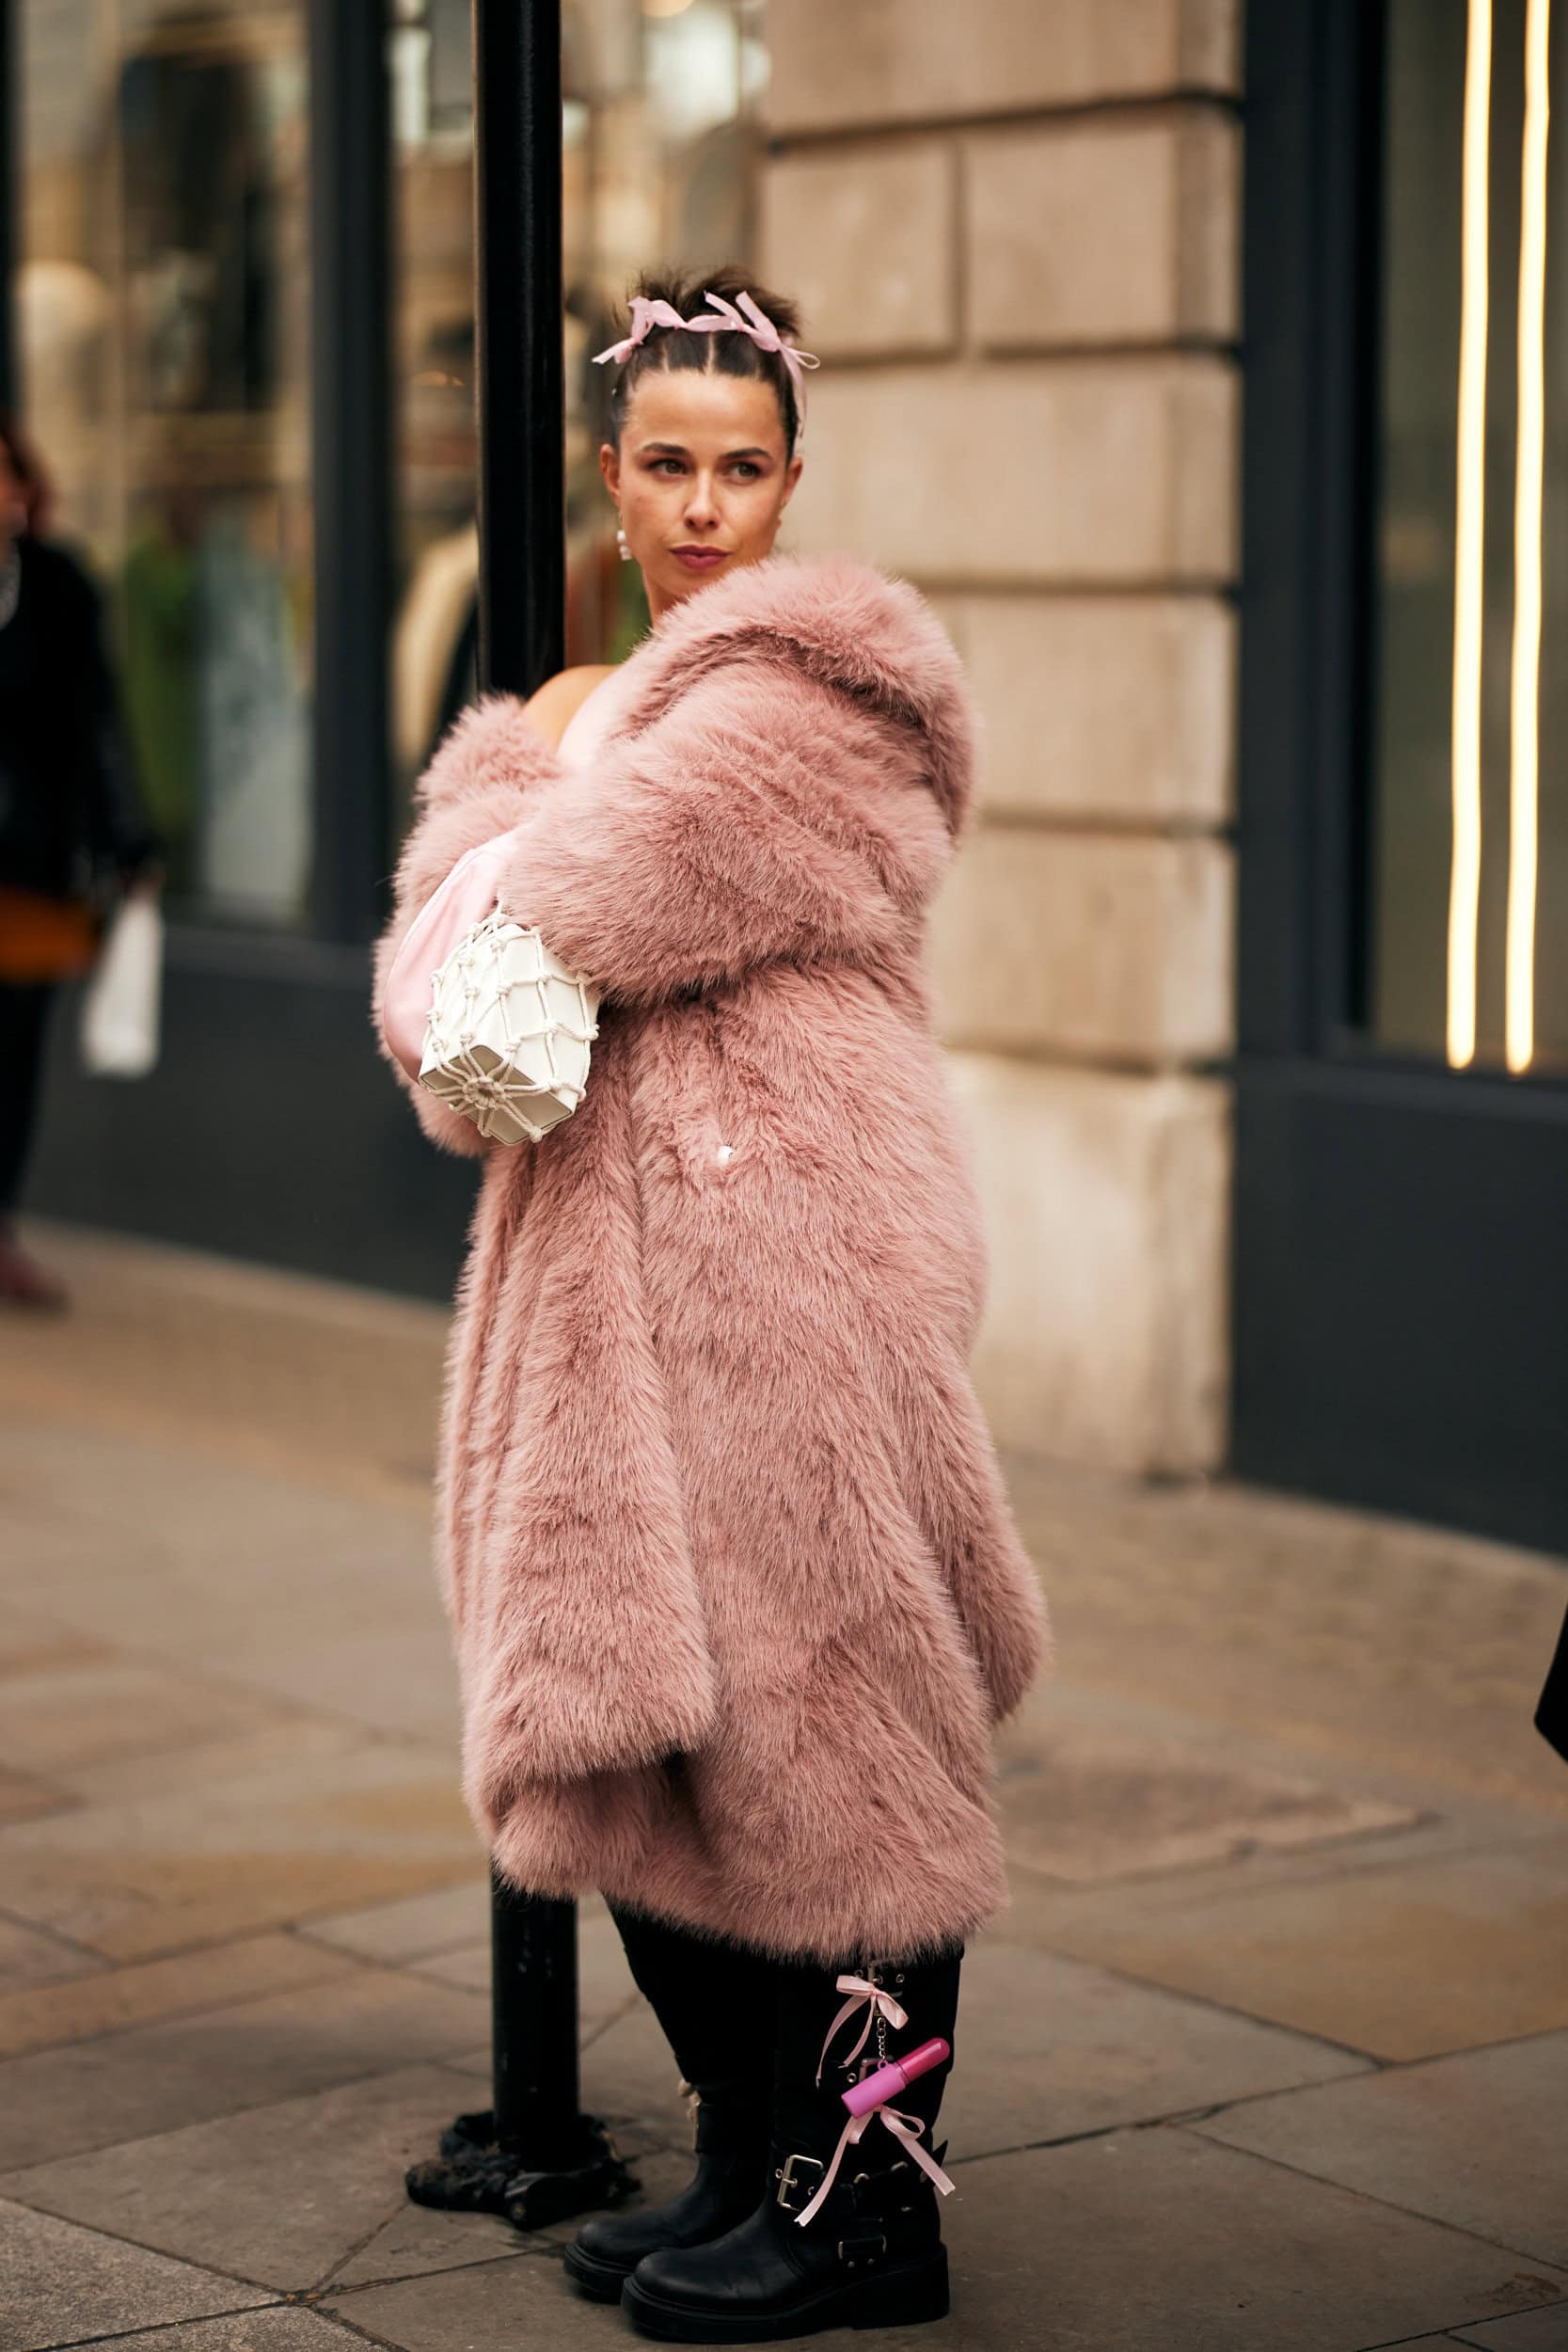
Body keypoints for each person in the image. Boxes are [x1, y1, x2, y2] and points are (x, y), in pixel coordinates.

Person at [372, 265, 1049, 2343]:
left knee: (846, 1730)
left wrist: (508, 817)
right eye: (663, 465)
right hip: (614, 1293)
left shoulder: (825, 686)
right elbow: (447, 1035)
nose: (698, 507)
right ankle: (761, 2152)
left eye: (737, 469)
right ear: (608, 476)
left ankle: (868, 2209)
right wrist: (516, 834)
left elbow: (583, 901)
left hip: (803, 1275)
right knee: (650, 1736)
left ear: (788, 483)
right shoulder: (600, 710)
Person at [0, 417, 162, 1308]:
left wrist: (126, 839)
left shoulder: (58, 588)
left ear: (25, 491)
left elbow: (98, 722)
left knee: (15, 1054)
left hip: (30, 867)